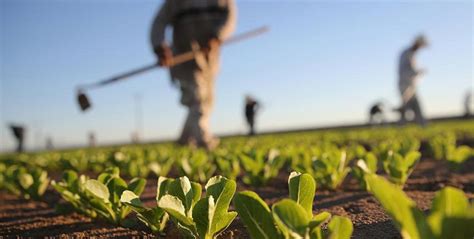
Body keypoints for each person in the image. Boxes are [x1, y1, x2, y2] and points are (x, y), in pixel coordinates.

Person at [150, 0, 237, 150]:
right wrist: (160, 47)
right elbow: (159, 23)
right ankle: (204, 141)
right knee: (197, 99)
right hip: (184, 57)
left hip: (209, 59)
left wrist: (217, 36)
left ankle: (183, 141)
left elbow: (229, 18)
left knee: (207, 101)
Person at [398, 35, 428, 126]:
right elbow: (405, 70)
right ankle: (402, 126)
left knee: (415, 106)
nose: (420, 48)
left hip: (411, 86)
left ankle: (422, 125)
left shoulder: (412, 54)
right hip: (405, 85)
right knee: (406, 107)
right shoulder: (406, 53)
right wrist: (417, 72)